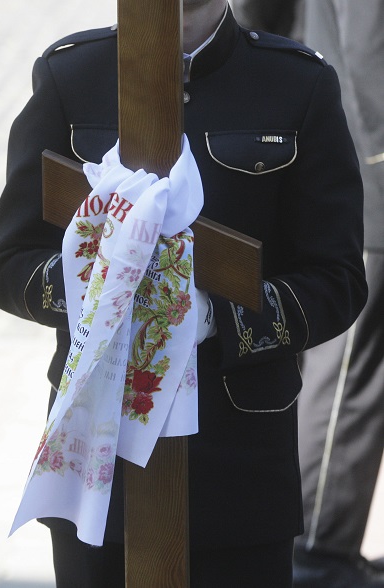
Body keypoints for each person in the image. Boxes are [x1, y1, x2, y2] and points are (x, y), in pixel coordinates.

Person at [0, 0, 366, 586]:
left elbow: (336, 280)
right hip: (100, 461)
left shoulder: (296, 83)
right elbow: (10, 263)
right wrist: (100, 292)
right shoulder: (71, 75)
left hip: (238, 463)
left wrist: (210, 315)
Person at [292, 1, 384, 586]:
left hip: (358, 156)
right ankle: (315, 552)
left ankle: (324, 548)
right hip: (369, 172)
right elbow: (370, 48)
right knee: (349, 369)